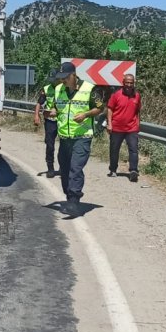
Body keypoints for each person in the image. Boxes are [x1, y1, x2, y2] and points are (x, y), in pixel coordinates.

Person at [52, 61, 105, 216]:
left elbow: (100, 108)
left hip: (82, 136)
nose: (63, 80)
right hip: (64, 137)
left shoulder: (89, 89)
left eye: (65, 77)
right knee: (65, 168)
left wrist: (86, 114)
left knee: (76, 168)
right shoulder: (58, 89)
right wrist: (53, 112)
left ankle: (74, 201)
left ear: (73, 75)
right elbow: (58, 108)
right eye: (61, 78)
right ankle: (69, 198)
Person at [106, 73, 142, 182]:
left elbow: (138, 111)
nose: (129, 85)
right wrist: (109, 124)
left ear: (133, 83)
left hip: (131, 128)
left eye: (131, 83)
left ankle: (133, 171)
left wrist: (138, 124)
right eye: (127, 82)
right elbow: (109, 109)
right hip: (117, 128)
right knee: (114, 150)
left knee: (134, 150)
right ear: (123, 83)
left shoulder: (137, 96)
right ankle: (113, 169)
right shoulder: (116, 95)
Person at [33, 70, 61, 178]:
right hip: (50, 121)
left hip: (62, 120)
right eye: (52, 80)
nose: (53, 82)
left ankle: (63, 167)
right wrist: (36, 115)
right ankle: (50, 168)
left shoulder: (65, 89)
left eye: (55, 79)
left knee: (64, 146)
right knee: (50, 145)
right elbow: (39, 103)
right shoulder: (46, 89)